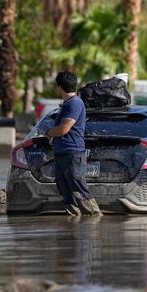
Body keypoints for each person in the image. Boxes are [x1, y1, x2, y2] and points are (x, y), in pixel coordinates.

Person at [45, 71, 101, 216]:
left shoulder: (75, 103)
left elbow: (64, 129)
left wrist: (49, 132)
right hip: (62, 153)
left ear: (59, 87)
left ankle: (95, 217)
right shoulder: (67, 104)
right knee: (65, 189)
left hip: (72, 153)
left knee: (78, 187)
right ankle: (74, 223)